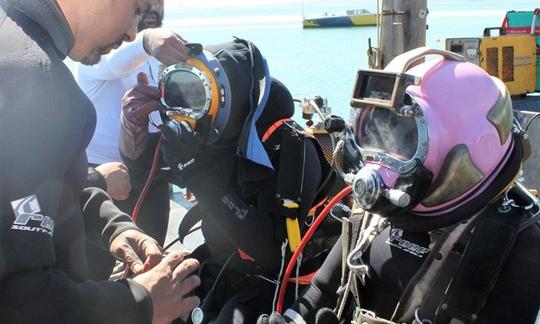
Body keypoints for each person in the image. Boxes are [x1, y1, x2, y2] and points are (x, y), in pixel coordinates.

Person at [258, 48, 540, 324]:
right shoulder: (370, 218)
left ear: (469, 151)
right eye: (376, 130)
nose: (378, 159)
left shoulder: (516, 250)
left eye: (404, 137)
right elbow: (320, 291)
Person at [0, 0, 200, 323]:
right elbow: (19, 299)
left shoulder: (13, 41)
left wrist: (111, 224)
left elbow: (34, 199)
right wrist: (140, 303)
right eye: (137, 9)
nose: (132, 32)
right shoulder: (33, 82)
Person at [120, 38, 343, 323]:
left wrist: (196, 173)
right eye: (178, 95)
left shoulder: (292, 149)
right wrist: (132, 129)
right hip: (221, 264)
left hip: (279, 280)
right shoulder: (211, 132)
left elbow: (272, 253)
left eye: (195, 97)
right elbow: (138, 166)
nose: (185, 110)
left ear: (227, 98)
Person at [72, 0, 190, 280]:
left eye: (157, 3)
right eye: (141, 4)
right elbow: (115, 62)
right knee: (95, 269)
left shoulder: (158, 58)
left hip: (149, 173)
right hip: (101, 179)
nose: (151, 8)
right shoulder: (98, 53)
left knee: (151, 255)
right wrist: (147, 40)